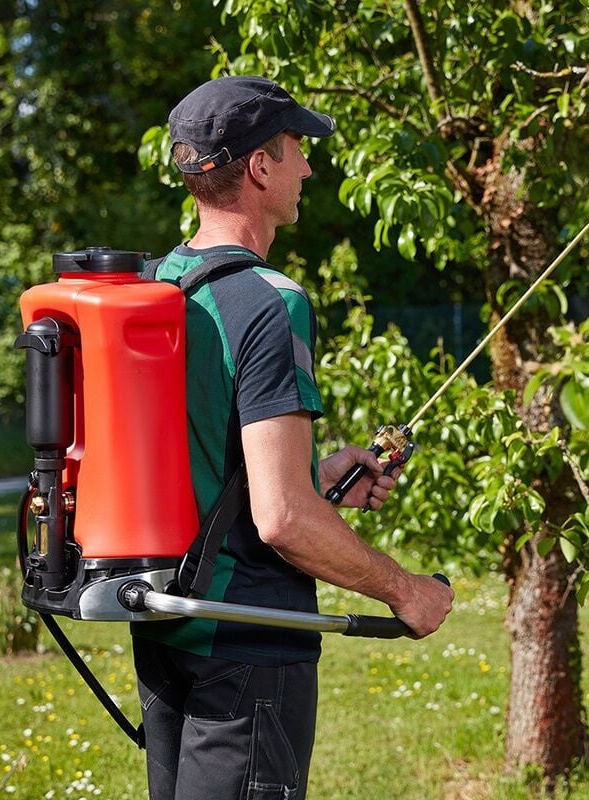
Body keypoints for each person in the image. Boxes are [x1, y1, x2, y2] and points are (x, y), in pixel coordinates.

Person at [130, 75, 454, 800]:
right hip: (247, 642)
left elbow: (207, 450)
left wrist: (317, 469)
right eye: (297, 148)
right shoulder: (269, 302)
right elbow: (283, 520)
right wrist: (406, 591)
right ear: (259, 166)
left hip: (166, 625)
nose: (308, 166)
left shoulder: (158, 285)